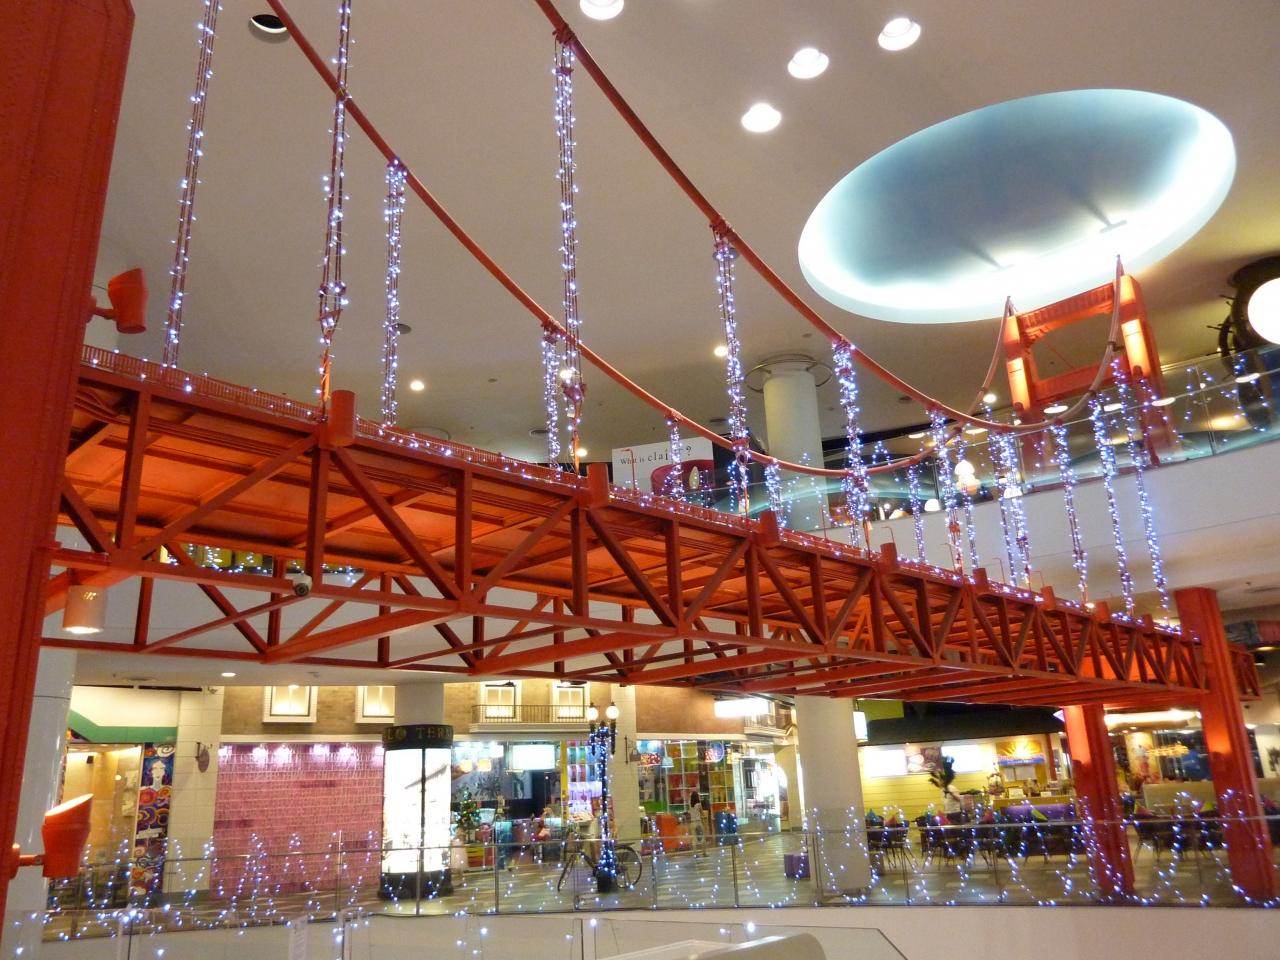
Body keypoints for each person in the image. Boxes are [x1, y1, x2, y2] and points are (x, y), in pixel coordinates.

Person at [688, 791, 707, 856]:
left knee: (694, 839)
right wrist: (704, 817)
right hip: (698, 823)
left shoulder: (689, 804)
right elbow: (702, 813)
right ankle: (704, 853)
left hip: (692, 823)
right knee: (703, 838)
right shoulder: (699, 804)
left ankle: (695, 854)